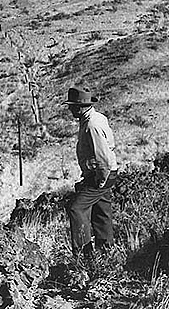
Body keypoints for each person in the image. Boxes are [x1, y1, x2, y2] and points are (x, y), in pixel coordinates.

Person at [64, 86, 118, 261]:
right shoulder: (95, 118)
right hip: (101, 173)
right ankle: (106, 253)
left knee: (76, 209)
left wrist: (100, 179)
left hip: (102, 174)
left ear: (80, 107)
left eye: (71, 105)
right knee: (102, 213)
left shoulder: (92, 125)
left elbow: (103, 155)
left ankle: (84, 258)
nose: (70, 109)